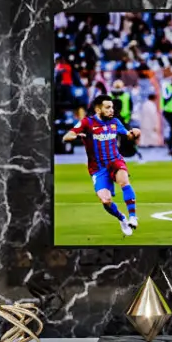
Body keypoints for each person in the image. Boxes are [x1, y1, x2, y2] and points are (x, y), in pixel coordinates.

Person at [62, 95, 143, 237]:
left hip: (115, 161)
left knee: (124, 181)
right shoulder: (87, 122)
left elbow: (128, 135)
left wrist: (135, 133)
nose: (112, 110)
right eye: (108, 107)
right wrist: (74, 136)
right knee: (106, 201)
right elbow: (67, 136)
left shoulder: (115, 122)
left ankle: (133, 217)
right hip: (98, 168)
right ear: (98, 109)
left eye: (112, 107)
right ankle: (122, 218)